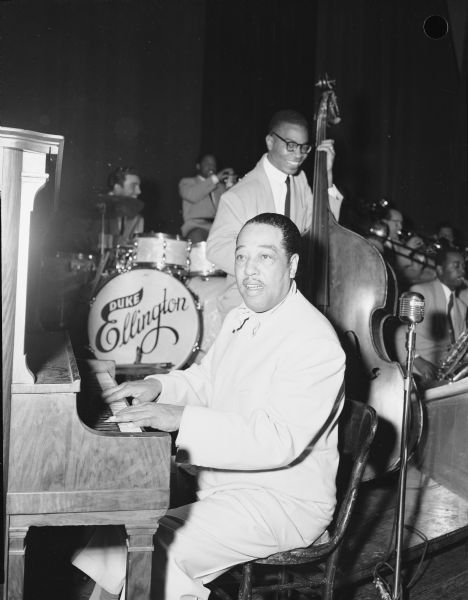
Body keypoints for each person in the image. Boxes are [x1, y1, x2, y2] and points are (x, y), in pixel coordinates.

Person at [72, 213, 345, 600]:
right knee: (121, 536)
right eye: (241, 257)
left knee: (147, 550)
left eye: (264, 257)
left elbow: (276, 440)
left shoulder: (315, 340)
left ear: (293, 265)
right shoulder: (239, 317)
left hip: (284, 501)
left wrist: (179, 418)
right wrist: (156, 386)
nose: (249, 271)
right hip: (230, 488)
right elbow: (206, 380)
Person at [206, 109, 343, 315]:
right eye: (291, 146)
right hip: (248, 306)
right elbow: (215, 248)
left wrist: (327, 178)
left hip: (292, 304)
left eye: (304, 148)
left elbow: (322, 230)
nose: (298, 155)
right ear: (270, 142)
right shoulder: (239, 194)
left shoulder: (301, 181)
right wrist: (268, 264)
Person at [395, 247, 467, 386]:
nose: (462, 271)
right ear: (440, 269)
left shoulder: (462, 306)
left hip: (445, 375)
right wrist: (418, 361)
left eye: (463, 266)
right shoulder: (421, 291)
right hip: (419, 373)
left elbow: (458, 345)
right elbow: (401, 333)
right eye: (456, 266)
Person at [179, 154, 236, 243]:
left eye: (213, 164)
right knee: (198, 238)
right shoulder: (187, 182)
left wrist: (231, 184)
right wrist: (216, 178)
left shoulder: (220, 187)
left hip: (217, 229)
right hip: (196, 227)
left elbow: (230, 206)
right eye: (207, 163)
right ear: (198, 166)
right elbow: (192, 196)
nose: (211, 166)